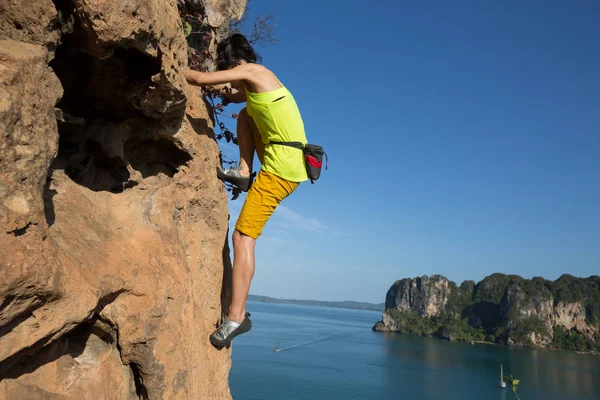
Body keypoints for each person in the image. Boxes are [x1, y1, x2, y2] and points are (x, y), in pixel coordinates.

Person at [185, 34, 308, 348]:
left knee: (242, 238)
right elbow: (230, 93)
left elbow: (199, 78)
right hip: (285, 163)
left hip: (280, 170)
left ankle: (237, 316)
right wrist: (221, 91)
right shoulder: (259, 84)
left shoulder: (254, 72)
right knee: (246, 114)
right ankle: (242, 172)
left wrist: (171, 66)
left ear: (233, 61)